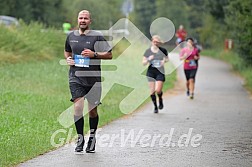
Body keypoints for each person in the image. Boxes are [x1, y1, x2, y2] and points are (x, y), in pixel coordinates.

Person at [64, 10, 112, 153]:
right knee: (78, 108)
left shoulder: (97, 36)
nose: (83, 20)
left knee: (92, 111)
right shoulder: (71, 36)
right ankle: (80, 138)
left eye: (86, 18)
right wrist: (68, 59)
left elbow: (109, 55)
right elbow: (67, 51)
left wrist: (94, 54)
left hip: (93, 79)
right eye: (81, 18)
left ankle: (92, 137)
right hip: (75, 77)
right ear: (77, 20)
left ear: (90, 21)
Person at [142, 35, 169, 113]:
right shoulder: (148, 51)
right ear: (152, 41)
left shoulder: (163, 50)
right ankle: (155, 107)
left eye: (157, 42)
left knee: (158, 90)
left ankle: (160, 98)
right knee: (152, 91)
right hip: (151, 72)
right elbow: (143, 63)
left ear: (159, 43)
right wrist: (148, 59)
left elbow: (167, 59)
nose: (155, 43)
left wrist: (164, 61)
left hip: (160, 72)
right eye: (154, 41)